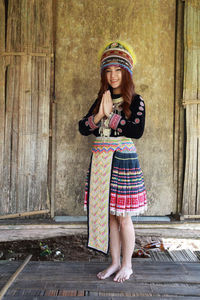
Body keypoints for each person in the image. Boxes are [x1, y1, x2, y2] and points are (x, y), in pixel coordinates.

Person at [79, 41, 147, 283]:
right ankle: (114, 263)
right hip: (100, 162)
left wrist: (112, 118)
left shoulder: (136, 101)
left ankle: (127, 265)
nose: (113, 75)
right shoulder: (101, 99)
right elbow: (83, 128)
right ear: (103, 75)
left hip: (122, 161)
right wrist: (99, 114)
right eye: (108, 71)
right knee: (109, 215)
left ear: (127, 73)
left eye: (118, 70)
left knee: (123, 216)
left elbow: (136, 131)